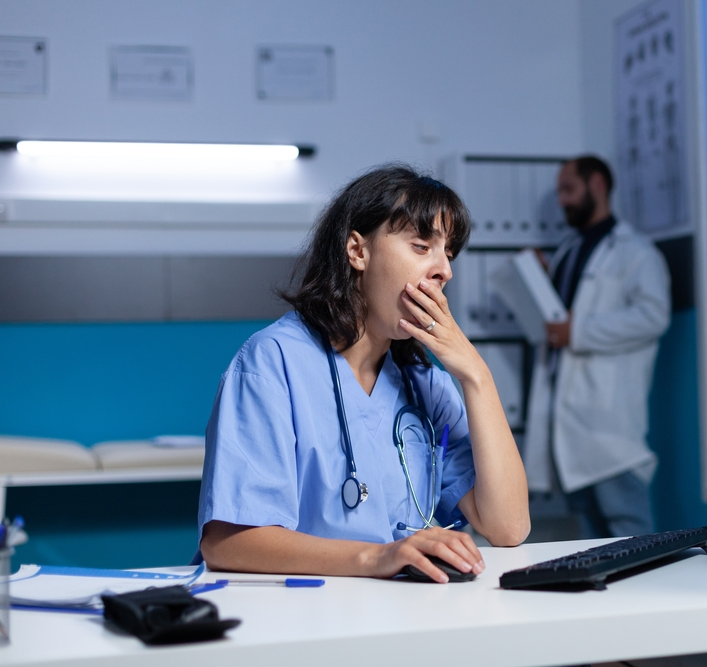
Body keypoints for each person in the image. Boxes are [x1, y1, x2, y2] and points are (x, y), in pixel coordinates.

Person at [197, 165, 530, 583]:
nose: (444, 269)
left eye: (449, 253)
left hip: (403, 614)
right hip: (302, 617)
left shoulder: (426, 384)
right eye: (422, 245)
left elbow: (509, 526)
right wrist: (379, 557)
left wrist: (477, 376)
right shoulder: (273, 362)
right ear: (357, 251)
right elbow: (228, 541)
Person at [523, 155, 670, 539]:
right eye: (559, 192)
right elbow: (558, 318)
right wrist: (540, 280)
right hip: (570, 423)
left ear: (598, 185)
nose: (563, 201)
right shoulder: (569, 251)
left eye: (569, 190)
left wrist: (579, 332)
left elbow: (653, 316)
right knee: (591, 540)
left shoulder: (636, 253)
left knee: (630, 532)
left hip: (610, 425)